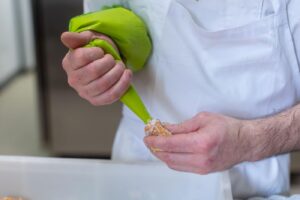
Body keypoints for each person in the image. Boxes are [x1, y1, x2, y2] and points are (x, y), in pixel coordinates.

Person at [61, 0, 300, 198]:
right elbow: (114, 16)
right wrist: (100, 57)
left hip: (245, 183)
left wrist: (247, 139)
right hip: (138, 169)